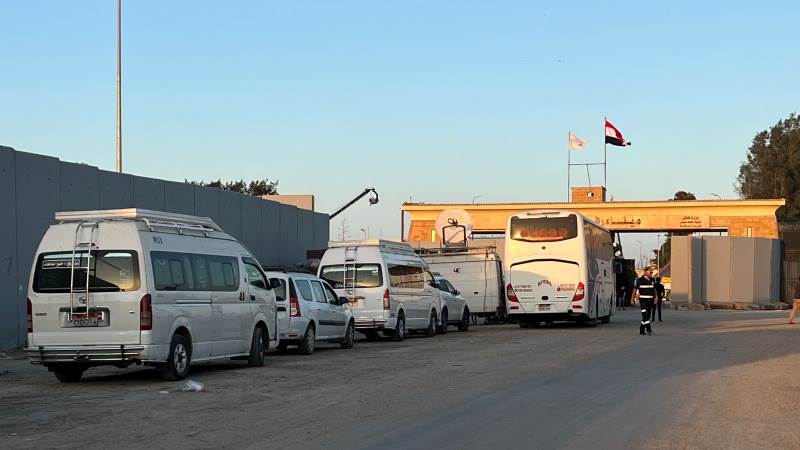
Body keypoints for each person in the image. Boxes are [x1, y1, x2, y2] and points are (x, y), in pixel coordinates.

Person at [632, 267, 656, 335]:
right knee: (645, 315)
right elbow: (635, 289)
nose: (651, 273)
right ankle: (649, 329)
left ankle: (641, 330)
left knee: (647, 316)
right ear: (645, 272)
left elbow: (654, 290)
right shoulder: (640, 280)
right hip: (643, 301)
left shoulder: (652, 280)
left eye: (652, 272)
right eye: (650, 272)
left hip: (650, 301)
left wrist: (656, 297)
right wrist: (632, 299)